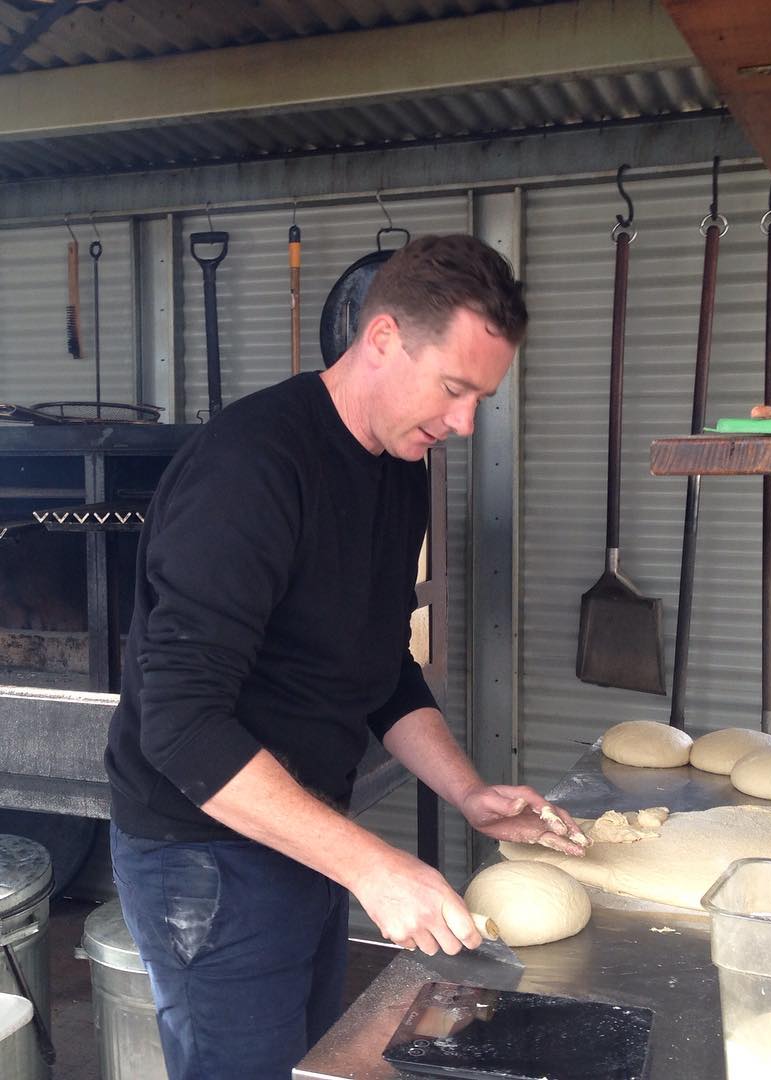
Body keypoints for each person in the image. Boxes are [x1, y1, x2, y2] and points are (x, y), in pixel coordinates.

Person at [105, 234, 586, 1080]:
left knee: (312, 1063)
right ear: (383, 340)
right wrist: (373, 865)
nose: (466, 422)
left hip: (301, 831)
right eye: (455, 388)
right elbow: (178, 725)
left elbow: (379, 667)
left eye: (482, 398)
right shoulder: (251, 470)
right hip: (204, 857)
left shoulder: (398, 462)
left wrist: (467, 792)